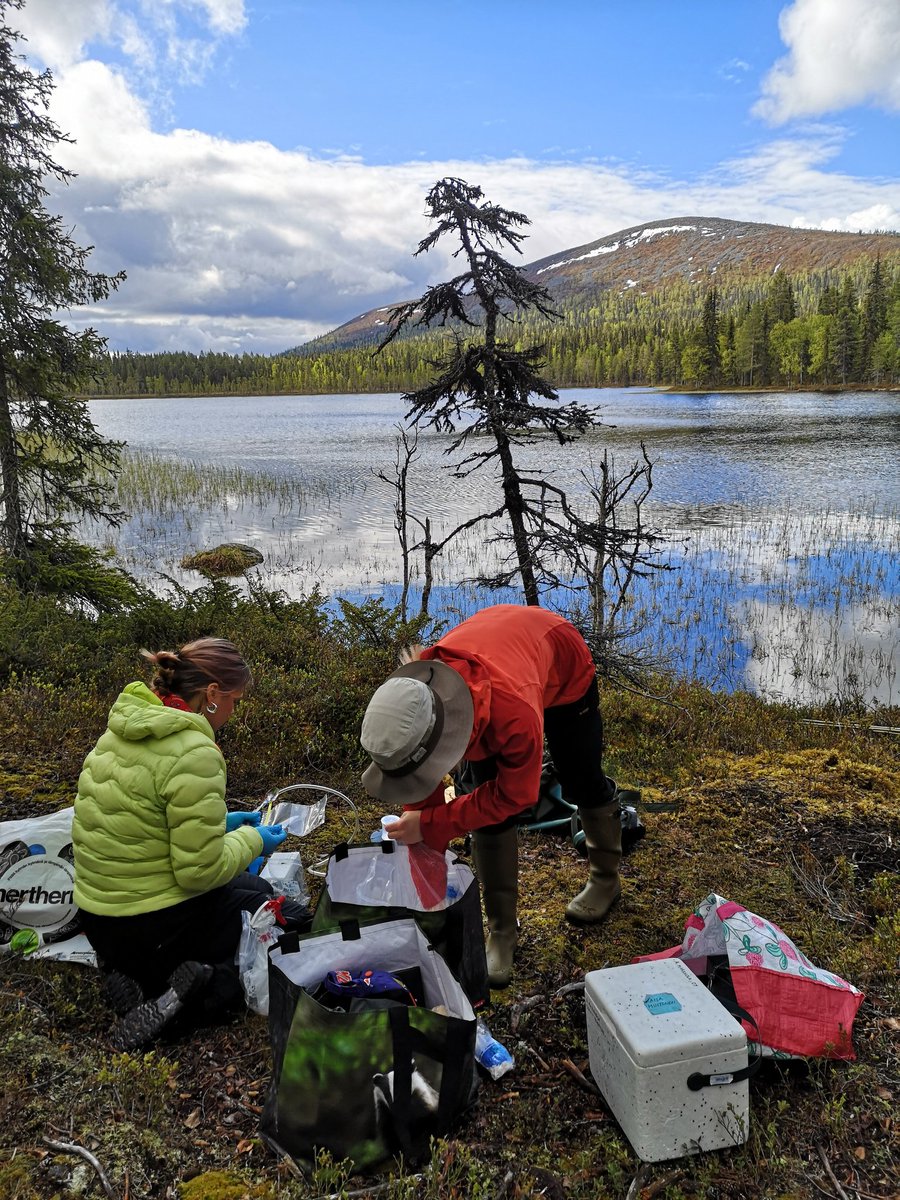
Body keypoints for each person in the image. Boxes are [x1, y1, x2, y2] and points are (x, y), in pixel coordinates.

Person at [359, 604, 620, 989]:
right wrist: (422, 855)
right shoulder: (413, 701)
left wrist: (431, 824)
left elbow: (516, 795)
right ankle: (502, 931)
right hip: (500, 655)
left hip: (560, 660)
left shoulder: (513, 716)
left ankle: (606, 878)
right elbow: (420, 781)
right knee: (485, 811)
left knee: (580, 780)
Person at [73, 637, 298, 1049]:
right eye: (235, 699)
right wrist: (253, 840)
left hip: (98, 919)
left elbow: (143, 821)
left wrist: (224, 823)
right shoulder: (195, 751)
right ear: (212, 694)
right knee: (270, 922)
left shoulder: (127, 726)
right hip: (143, 923)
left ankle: (130, 969)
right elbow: (199, 872)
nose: (234, 710)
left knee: (254, 890)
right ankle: (184, 996)